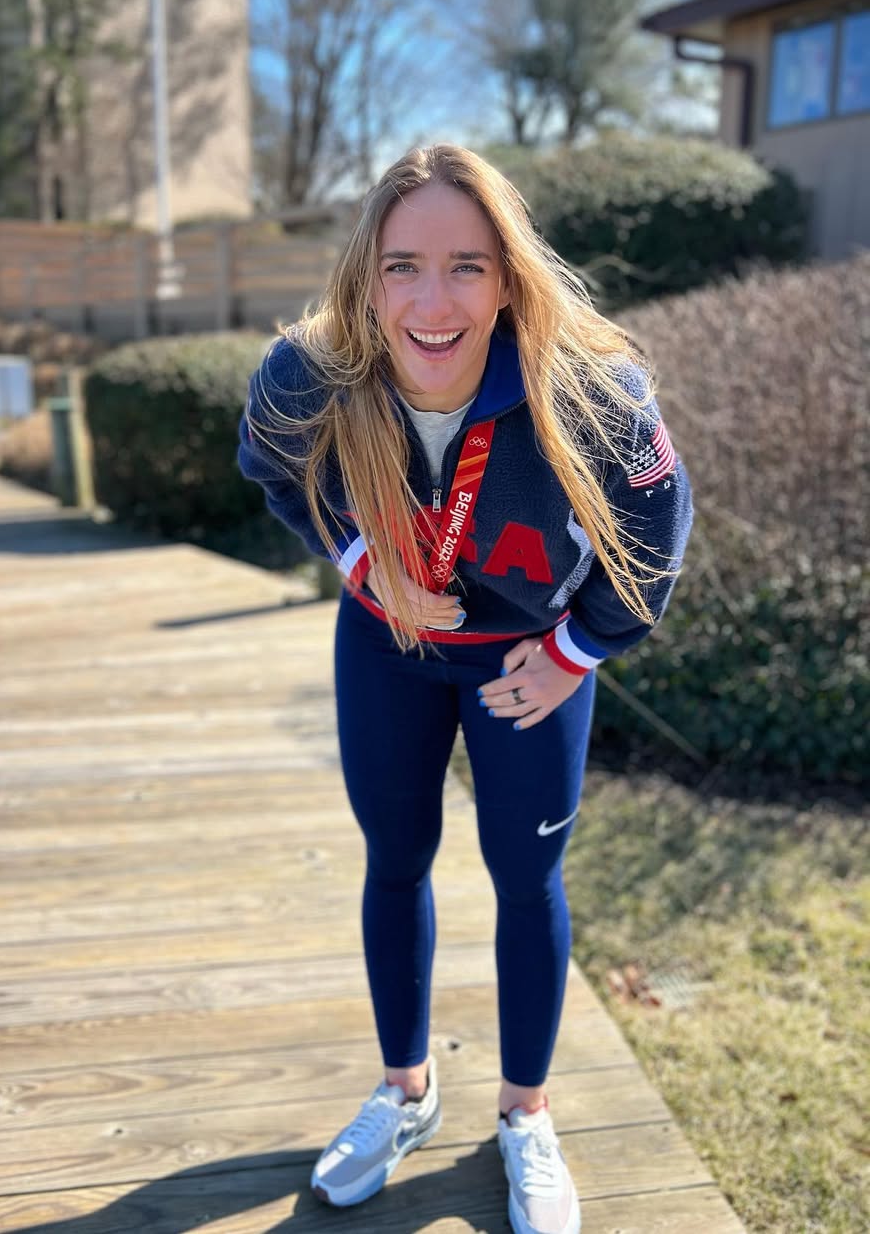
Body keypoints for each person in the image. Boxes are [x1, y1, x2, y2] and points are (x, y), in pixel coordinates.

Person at [237, 143, 693, 1234]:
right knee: (395, 858)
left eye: (466, 268)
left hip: (526, 663)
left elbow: (658, 530)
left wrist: (577, 651)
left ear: (508, 280)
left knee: (525, 875)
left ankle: (525, 1113)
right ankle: (406, 1091)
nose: (432, 303)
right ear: (367, 276)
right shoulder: (308, 373)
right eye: (403, 266)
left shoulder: (593, 393)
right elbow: (271, 467)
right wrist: (360, 561)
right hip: (388, 641)